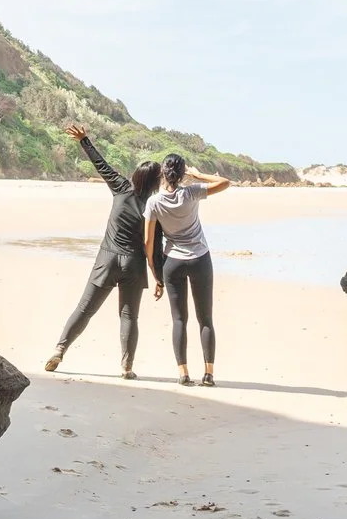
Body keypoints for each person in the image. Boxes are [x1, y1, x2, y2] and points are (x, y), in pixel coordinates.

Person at [44, 124, 161, 378]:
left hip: (107, 259)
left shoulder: (121, 187)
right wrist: (159, 277)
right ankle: (127, 366)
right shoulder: (154, 206)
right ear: (154, 182)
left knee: (85, 308)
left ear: (136, 176)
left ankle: (59, 349)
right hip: (134, 265)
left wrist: (84, 139)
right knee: (129, 317)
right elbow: (155, 245)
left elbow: (101, 164)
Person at [143, 152, 231, 386]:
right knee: (205, 319)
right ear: (182, 174)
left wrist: (156, 275)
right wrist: (197, 174)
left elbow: (148, 243)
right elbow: (225, 183)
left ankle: (183, 374)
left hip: (173, 262)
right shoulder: (191, 192)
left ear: (163, 172)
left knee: (179, 320)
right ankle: (209, 374)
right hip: (200, 259)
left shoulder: (154, 202)